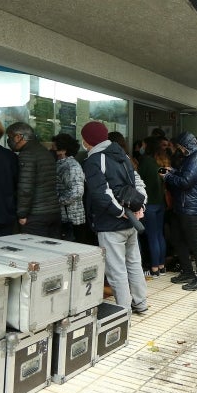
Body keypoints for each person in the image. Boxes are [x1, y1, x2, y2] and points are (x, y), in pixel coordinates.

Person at [80, 121, 148, 314]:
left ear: (87, 141)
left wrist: (119, 212)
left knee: (116, 269)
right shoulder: (121, 154)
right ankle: (141, 303)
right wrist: (139, 207)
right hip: (131, 221)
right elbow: (137, 182)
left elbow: (101, 194)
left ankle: (123, 310)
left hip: (110, 224)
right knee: (134, 264)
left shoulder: (94, 160)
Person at [163, 131, 197, 291]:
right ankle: (188, 272)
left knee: (196, 245)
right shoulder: (190, 159)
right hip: (183, 208)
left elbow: (185, 182)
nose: (179, 149)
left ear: (186, 146)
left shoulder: (196, 160)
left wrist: (168, 177)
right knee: (179, 240)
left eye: (181, 147)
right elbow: (185, 176)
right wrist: (173, 171)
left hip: (192, 210)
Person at [6, 122, 61, 238]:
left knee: (36, 253)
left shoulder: (27, 154)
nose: (9, 141)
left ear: (18, 137)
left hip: (36, 216)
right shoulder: (44, 151)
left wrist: (22, 214)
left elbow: (25, 189)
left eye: (10, 137)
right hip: (53, 212)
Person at [139, 136, 167, 277]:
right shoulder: (160, 162)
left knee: (152, 237)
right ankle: (161, 266)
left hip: (149, 205)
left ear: (147, 147)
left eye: (143, 144)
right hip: (161, 203)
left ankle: (154, 268)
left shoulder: (146, 162)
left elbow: (137, 180)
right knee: (159, 235)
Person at [52, 133, 86, 242]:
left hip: (71, 219)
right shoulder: (61, 164)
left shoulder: (71, 166)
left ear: (63, 150)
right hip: (65, 217)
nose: (51, 149)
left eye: (54, 148)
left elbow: (77, 192)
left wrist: (57, 200)